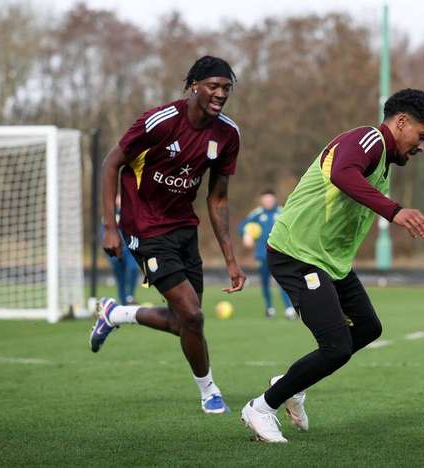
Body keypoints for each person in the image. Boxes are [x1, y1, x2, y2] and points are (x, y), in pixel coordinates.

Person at [240, 89, 424, 442]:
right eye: (422, 136)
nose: (422, 146)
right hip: (296, 253)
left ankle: (289, 386)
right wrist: (395, 211)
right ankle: (261, 407)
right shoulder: (368, 139)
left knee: (368, 327)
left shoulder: (383, 163)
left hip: (329, 262)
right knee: (335, 346)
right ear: (402, 122)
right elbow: (342, 174)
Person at [90, 56, 246, 415]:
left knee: (184, 321)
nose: (220, 93)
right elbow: (111, 162)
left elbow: (218, 198)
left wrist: (232, 261)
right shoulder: (160, 122)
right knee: (192, 316)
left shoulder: (228, 135)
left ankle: (115, 314)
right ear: (194, 85)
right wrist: (110, 227)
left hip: (183, 229)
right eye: (214, 86)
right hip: (144, 228)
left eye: (226, 88)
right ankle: (209, 391)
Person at [238, 190, 296, 319]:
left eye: (270, 200)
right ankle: (269, 308)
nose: (268, 202)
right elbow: (242, 226)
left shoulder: (282, 212)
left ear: (274, 200)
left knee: (283, 281)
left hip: (280, 255)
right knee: (264, 283)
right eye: (265, 200)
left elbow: (294, 226)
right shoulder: (257, 214)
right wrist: (246, 234)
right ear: (262, 201)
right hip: (262, 256)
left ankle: (289, 309)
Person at [102, 195, 140, 305]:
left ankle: (130, 296)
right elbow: (104, 231)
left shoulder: (132, 213)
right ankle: (124, 303)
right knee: (120, 278)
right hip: (116, 250)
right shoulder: (109, 215)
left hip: (130, 249)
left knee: (133, 269)